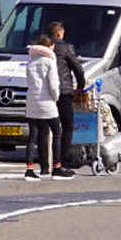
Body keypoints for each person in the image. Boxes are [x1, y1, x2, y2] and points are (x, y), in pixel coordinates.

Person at [24, 33, 72, 180]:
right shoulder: (50, 62)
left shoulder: (31, 62)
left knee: (33, 136)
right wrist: (56, 97)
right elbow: (53, 84)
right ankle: (57, 166)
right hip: (47, 102)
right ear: (49, 47)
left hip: (31, 102)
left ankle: (29, 169)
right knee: (57, 132)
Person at [47, 20, 88, 168]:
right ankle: (62, 160)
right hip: (63, 92)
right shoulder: (65, 48)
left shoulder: (42, 48)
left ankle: (47, 160)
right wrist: (80, 87)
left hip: (46, 94)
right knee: (67, 126)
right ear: (59, 33)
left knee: (48, 127)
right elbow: (77, 68)